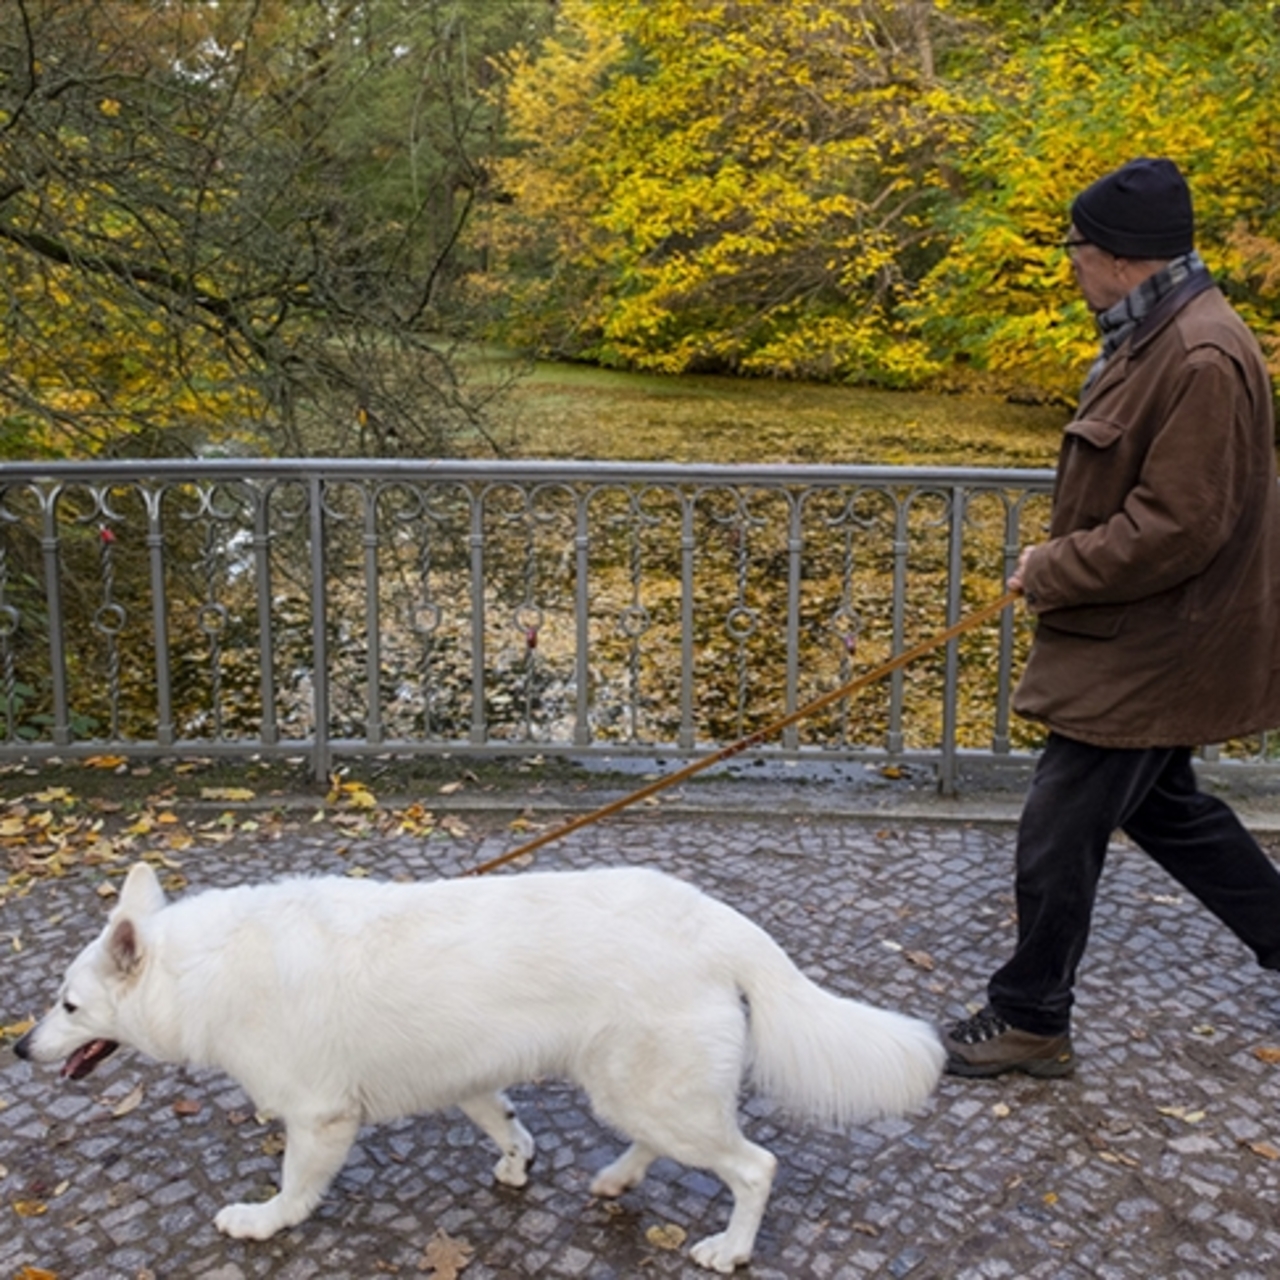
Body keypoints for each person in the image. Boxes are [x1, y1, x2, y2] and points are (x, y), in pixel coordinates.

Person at [942, 156, 1280, 1078]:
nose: (1071, 266)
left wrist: (1052, 568)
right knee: (1171, 812)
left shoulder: (1200, 353)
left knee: (1059, 824)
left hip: (1155, 646)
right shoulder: (1162, 332)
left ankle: (1030, 1018)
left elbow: (1178, 526)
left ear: (1122, 257)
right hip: (1148, 636)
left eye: (1076, 250)